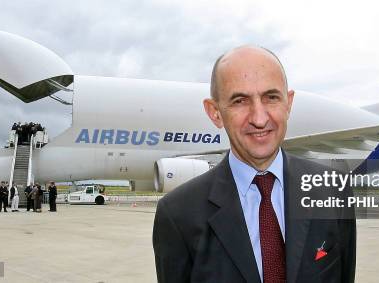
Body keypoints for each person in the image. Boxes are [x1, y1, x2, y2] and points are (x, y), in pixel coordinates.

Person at [152, 46, 356, 282]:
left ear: (288, 103)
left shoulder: (334, 190)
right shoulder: (178, 214)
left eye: (271, 98)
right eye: (240, 101)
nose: (259, 118)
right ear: (215, 112)